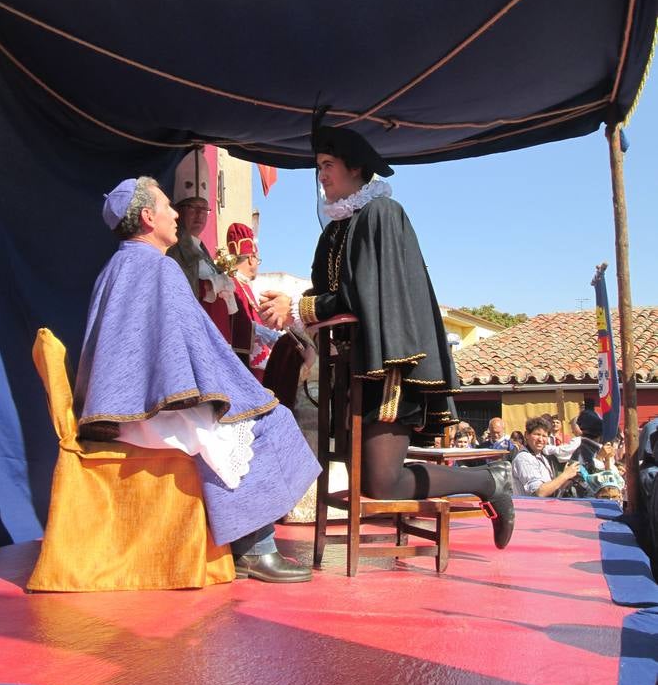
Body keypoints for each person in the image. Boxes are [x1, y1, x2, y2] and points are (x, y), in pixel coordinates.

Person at [258, 114, 515, 549]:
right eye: (318, 167)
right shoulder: (337, 228)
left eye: (327, 165)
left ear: (355, 166)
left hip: (389, 368)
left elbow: (362, 297)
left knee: (382, 481)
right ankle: (487, 482)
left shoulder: (381, 213)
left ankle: (489, 482)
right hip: (355, 373)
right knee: (375, 481)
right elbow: (330, 292)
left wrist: (298, 306)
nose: (321, 176)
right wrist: (294, 309)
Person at [73, 176, 321, 583]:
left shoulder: (116, 266)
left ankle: (243, 540)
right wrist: (242, 392)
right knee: (265, 421)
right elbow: (192, 348)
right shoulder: (158, 268)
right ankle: (254, 549)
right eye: (169, 206)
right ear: (149, 217)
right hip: (152, 413)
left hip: (122, 409)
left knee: (243, 417)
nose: (176, 214)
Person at [166, 149, 236, 342]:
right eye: (192, 208)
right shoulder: (173, 249)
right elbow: (178, 294)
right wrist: (210, 286)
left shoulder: (203, 250)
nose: (199, 215)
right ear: (179, 211)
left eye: (203, 209)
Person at [226, 222, 280, 381]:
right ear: (251, 258)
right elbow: (237, 322)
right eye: (258, 259)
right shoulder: (232, 283)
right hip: (244, 365)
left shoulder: (243, 284)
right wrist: (266, 334)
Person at [511, 417, 580, 497]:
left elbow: (551, 488)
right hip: (531, 508)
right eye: (537, 434)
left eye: (544, 436)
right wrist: (565, 475)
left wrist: (568, 479)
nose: (540, 439)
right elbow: (540, 492)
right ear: (526, 435)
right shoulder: (524, 458)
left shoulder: (541, 457)